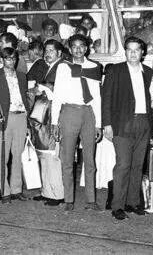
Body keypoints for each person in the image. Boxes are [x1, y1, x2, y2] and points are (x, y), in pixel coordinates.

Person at [102, 36, 153, 220]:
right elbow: (106, 98)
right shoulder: (115, 71)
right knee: (123, 165)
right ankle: (117, 206)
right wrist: (107, 124)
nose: (133, 53)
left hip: (144, 123)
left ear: (142, 52)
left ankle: (133, 203)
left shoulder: (149, 72)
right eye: (129, 50)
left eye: (136, 50)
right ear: (125, 52)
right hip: (122, 124)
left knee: (138, 165)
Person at [51, 34, 102, 211]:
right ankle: (68, 200)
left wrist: (98, 123)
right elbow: (57, 94)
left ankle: (91, 200)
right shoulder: (63, 67)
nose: (78, 49)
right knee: (67, 159)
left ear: (87, 48)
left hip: (88, 113)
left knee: (90, 160)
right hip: (68, 113)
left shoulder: (95, 67)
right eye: (74, 46)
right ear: (70, 49)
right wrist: (54, 121)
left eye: (82, 46)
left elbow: (97, 97)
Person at [0, 47, 30, 203]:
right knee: (3, 156)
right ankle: (4, 191)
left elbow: (25, 98)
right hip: (5, 118)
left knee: (18, 155)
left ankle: (17, 190)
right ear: (2, 60)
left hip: (21, 117)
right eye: (8, 58)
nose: (12, 61)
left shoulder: (23, 77)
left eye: (14, 58)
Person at [31, 39, 65, 206]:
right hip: (43, 116)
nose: (48, 53)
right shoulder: (47, 67)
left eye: (51, 50)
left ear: (59, 53)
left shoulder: (62, 67)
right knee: (44, 154)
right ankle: (46, 190)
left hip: (53, 115)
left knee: (52, 155)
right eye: (46, 50)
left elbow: (59, 90)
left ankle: (57, 194)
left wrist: (43, 88)